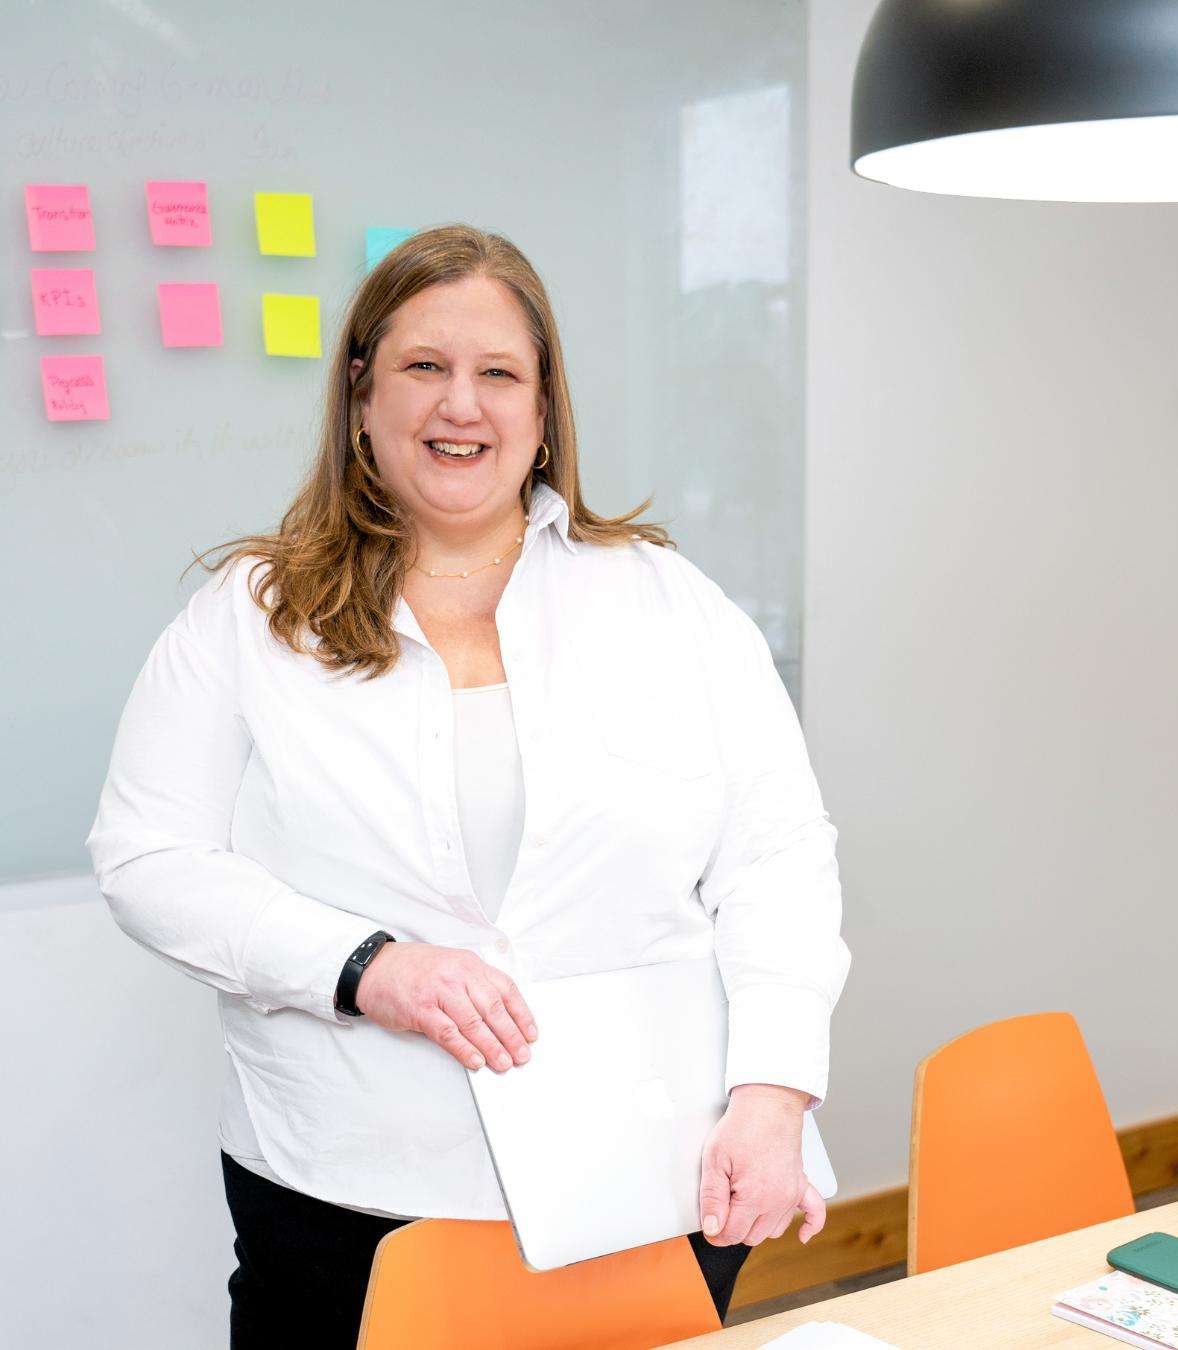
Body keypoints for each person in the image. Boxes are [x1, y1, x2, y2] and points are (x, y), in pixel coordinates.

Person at [85, 223, 852, 1347]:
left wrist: (775, 1092)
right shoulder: (249, 615)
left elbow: (778, 855)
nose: (463, 405)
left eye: (501, 374)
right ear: (359, 395)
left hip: (647, 1180)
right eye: (424, 367)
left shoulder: (666, 603)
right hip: (352, 1197)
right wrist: (364, 967)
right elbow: (147, 859)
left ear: (544, 414)